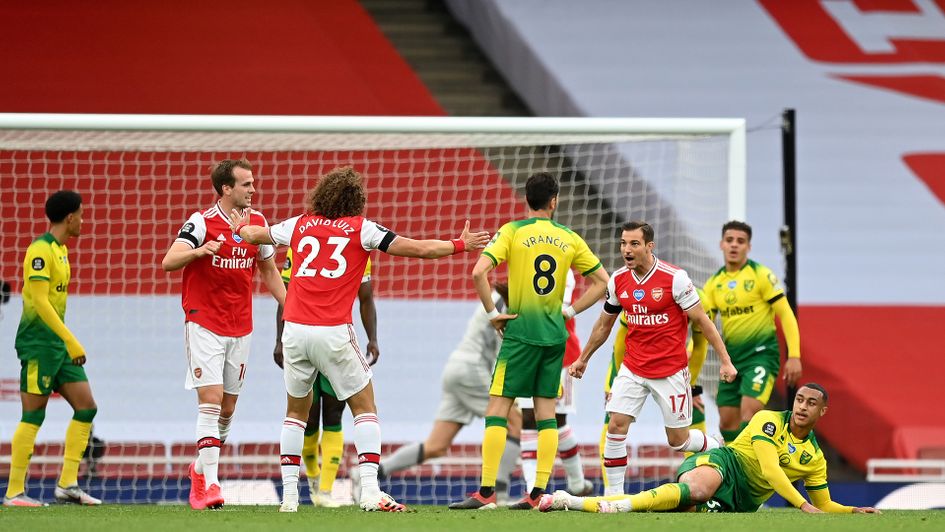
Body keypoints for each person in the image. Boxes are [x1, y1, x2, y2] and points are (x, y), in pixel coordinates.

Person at [229, 166, 490, 513]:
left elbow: (255, 234)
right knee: (365, 407)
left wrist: (239, 228)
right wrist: (459, 244)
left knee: (295, 413)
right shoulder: (362, 228)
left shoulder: (299, 225)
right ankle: (370, 491)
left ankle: (290, 498)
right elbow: (418, 249)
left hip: (294, 329)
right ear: (356, 200)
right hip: (332, 331)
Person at [449, 172, 610, 510]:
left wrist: (493, 314)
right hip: (555, 338)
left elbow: (479, 272)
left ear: (527, 199)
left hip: (520, 335)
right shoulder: (569, 238)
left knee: (498, 409)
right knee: (547, 414)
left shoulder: (512, 231)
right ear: (554, 201)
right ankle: (538, 494)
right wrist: (569, 311)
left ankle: (487, 492)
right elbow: (603, 282)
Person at [568, 221, 737, 496]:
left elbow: (702, 322)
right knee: (615, 425)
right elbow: (603, 325)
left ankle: (717, 445)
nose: (627, 249)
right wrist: (583, 359)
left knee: (678, 440)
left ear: (649, 246)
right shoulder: (618, 280)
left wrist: (725, 361)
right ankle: (614, 497)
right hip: (632, 369)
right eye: (623, 243)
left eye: (634, 244)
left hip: (670, 372)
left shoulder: (675, 279)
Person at [540, 383, 881, 515]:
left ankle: (569, 501)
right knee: (699, 489)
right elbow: (770, 470)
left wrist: (852, 511)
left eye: (811, 403)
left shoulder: (816, 459)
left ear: (823, 412)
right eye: (800, 400)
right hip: (724, 463)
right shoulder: (768, 420)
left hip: (740, 503)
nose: (802, 407)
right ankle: (607, 504)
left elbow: (825, 505)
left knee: (678, 510)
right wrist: (802, 505)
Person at [161, 159, 286, 510]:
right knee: (211, 400)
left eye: (253, 183)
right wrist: (200, 250)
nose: (253, 189)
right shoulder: (201, 222)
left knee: (228, 409)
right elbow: (169, 261)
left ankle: (199, 470)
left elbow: (268, 270)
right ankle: (212, 485)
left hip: (240, 325)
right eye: (246, 184)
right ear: (226, 189)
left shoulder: (258, 223)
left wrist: (293, 308)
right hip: (203, 322)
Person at [375, 283, 524, 504]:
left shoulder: (499, 298)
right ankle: (499, 495)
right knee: (515, 423)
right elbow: (507, 349)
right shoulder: (506, 303)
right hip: (473, 370)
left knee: (436, 446)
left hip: (458, 368)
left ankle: (372, 473)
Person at [4, 190, 101, 507]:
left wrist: (65, 341)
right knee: (33, 414)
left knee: (86, 407)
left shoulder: (61, 251)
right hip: (38, 344)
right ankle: (14, 493)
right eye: (81, 214)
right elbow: (40, 302)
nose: (83, 220)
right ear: (70, 218)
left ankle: (67, 485)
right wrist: (71, 339)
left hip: (58, 345)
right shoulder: (40, 250)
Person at [273, 251, 378, 507]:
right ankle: (313, 480)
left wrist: (372, 338)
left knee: (332, 414)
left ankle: (325, 491)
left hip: (329, 340)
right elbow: (285, 294)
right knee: (308, 418)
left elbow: (365, 297)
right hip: (313, 338)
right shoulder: (301, 245)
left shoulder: (358, 248)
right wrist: (279, 340)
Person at [598, 286, 710, 494]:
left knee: (679, 438)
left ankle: (704, 478)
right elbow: (620, 340)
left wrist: (691, 384)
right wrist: (616, 380)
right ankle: (611, 493)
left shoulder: (698, 300)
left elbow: (700, 346)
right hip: (629, 364)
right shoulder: (637, 292)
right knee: (613, 424)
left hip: (670, 366)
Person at [702, 221, 802, 443]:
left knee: (750, 413)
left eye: (740, 241)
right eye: (729, 240)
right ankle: (738, 460)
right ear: (721, 244)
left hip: (761, 355)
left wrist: (794, 355)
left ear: (748, 247)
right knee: (727, 423)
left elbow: (786, 314)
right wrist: (689, 351)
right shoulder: (714, 284)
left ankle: (756, 460)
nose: (734, 245)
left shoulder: (761, 275)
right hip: (731, 360)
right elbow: (703, 325)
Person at [517, 270, 594, 498]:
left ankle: (577, 483)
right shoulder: (523, 261)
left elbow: (554, 310)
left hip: (560, 355)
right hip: (526, 352)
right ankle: (532, 489)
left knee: (556, 419)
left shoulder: (562, 268)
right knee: (528, 418)